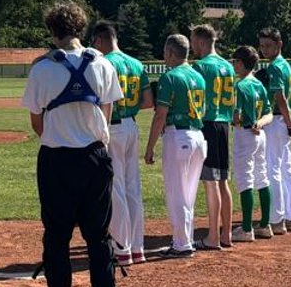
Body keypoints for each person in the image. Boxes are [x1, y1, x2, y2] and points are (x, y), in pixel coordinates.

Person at [21, 1, 122, 287]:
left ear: (52, 30)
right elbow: (106, 112)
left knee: (57, 240)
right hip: (95, 157)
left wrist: (60, 136)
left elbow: (37, 121)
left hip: (57, 159)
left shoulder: (41, 69)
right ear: (81, 27)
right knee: (98, 239)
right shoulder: (103, 64)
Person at [92, 20, 150, 265]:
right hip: (131, 125)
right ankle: (137, 247)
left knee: (114, 188)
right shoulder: (136, 63)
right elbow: (148, 101)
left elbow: (102, 101)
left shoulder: (104, 63)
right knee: (132, 186)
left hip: (113, 126)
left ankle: (122, 247)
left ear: (102, 39)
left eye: (95, 41)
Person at [144, 32, 207, 257]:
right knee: (188, 193)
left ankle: (181, 244)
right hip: (198, 136)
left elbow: (160, 115)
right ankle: (185, 239)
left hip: (178, 136)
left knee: (176, 193)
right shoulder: (198, 76)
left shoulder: (170, 77)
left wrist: (150, 147)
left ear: (171, 52)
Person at [188, 24, 237, 249]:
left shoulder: (200, 66)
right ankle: (225, 234)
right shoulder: (228, 66)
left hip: (207, 124)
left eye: (192, 41)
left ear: (200, 41)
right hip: (224, 124)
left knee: (210, 183)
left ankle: (213, 237)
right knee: (223, 181)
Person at [254, 29, 291, 234]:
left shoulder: (274, 67)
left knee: (273, 169)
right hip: (283, 121)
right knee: (286, 168)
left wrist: (289, 121)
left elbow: (280, 97)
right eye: (262, 46)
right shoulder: (286, 65)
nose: (264, 50)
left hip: (276, 120)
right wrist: (289, 122)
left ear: (279, 44)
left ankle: (276, 219)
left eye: (268, 45)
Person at [230, 46, 273, 240]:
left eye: (235, 61)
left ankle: (246, 228)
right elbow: (269, 113)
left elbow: (237, 117)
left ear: (240, 62)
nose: (233, 65)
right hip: (260, 133)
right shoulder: (259, 85)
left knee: (245, 179)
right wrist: (260, 122)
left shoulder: (240, 86)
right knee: (261, 177)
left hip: (244, 134)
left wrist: (232, 119)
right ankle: (264, 225)